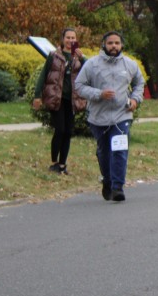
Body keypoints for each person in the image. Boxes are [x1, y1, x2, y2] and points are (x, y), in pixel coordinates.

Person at [74, 31, 145, 202]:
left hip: (122, 116)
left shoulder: (130, 64)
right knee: (104, 153)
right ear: (104, 45)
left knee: (119, 151)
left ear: (122, 45)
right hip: (98, 117)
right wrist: (99, 94)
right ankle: (107, 180)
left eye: (117, 43)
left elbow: (139, 83)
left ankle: (117, 187)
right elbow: (79, 86)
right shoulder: (92, 64)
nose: (114, 46)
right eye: (110, 43)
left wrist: (135, 99)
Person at [32, 28, 87, 174]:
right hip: (56, 98)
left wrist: (82, 58)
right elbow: (44, 75)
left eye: (73, 38)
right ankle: (54, 162)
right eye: (68, 37)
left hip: (72, 100)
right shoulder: (54, 55)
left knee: (68, 132)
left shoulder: (78, 57)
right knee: (60, 129)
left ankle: (63, 164)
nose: (71, 40)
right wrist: (37, 95)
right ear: (63, 39)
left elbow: (90, 70)